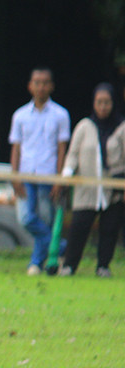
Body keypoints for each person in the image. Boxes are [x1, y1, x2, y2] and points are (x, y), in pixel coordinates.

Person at [9, 67, 71, 276]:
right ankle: (62, 247)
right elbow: (16, 148)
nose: (41, 86)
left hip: (48, 174)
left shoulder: (61, 114)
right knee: (26, 218)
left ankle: (36, 263)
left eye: (45, 82)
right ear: (30, 86)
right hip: (26, 174)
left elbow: (62, 149)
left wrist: (59, 179)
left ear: (51, 86)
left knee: (46, 220)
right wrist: (14, 175)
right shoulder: (20, 115)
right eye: (37, 82)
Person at [58, 84, 124, 277]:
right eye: (99, 102)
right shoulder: (84, 126)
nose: (103, 107)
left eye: (107, 103)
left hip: (113, 190)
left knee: (110, 230)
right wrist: (67, 174)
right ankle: (70, 265)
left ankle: (103, 266)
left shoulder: (121, 128)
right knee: (79, 228)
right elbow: (73, 154)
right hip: (86, 189)